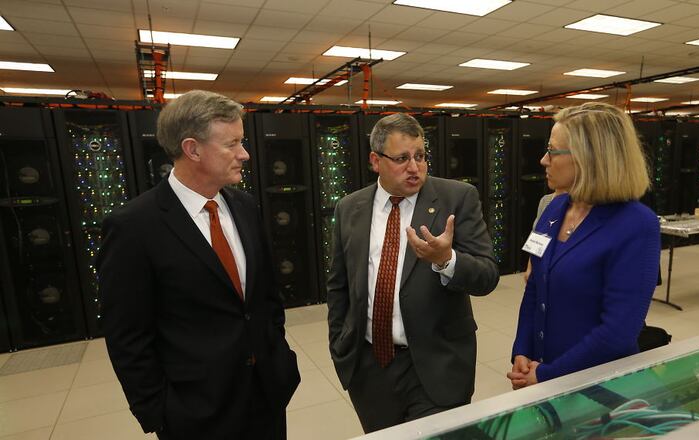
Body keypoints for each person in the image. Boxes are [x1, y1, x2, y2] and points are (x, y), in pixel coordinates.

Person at [97, 90, 300, 439]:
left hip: (266, 394)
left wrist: (278, 356)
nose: (244, 154)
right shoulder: (133, 226)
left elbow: (266, 297)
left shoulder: (245, 206)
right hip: (195, 413)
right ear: (192, 149)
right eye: (232, 144)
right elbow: (127, 335)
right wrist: (158, 413)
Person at [327, 113, 499, 433]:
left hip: (437, 365)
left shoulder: (456, 198)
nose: (415, 167)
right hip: (370, 368)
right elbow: (338, 286)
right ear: (375, 161)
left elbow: (487, 275)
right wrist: (341, 348)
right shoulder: (349, 208)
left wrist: (447, 260)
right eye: (402, 158)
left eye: (420, 156)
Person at [508, 102, 660, 389]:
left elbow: (618, 332)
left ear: (590, 158)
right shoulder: (554, 209)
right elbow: (534, 288)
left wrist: (546, 375)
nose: (543, 160)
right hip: (541, 371)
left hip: (598, 386)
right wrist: (522, 350)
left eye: (552, 151)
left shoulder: (636, 224)